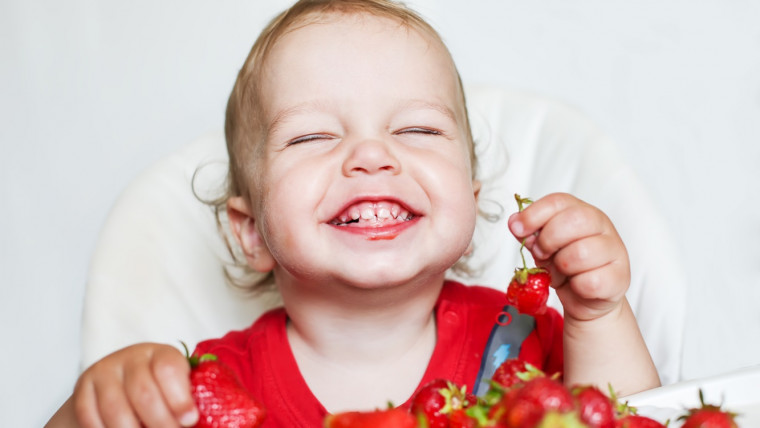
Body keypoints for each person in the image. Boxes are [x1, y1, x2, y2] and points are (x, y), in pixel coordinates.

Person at [46, 0, 660, 426]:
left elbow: (631, 419)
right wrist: (93, 408)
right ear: (251, 231)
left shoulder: (525, 346)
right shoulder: (210, 387)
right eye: (313, 137)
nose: (371, 155)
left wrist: (596, 316)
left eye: (417, 129)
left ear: (471, 206)